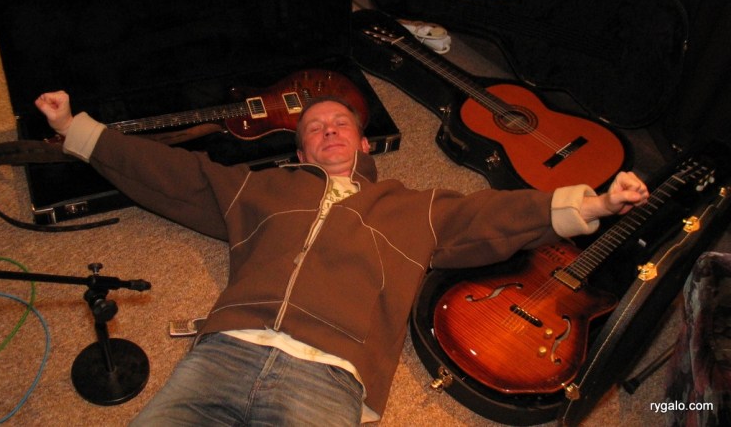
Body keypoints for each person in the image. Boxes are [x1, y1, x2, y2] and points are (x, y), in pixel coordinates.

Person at [35, 91, 648, 426]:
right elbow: (177, 176)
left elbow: (490, 217)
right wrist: (79, 131)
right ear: (301, 151)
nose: (328, 129)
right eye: (315, 127)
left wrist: (590, 204)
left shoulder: (416, 207)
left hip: (329, 377)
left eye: (341, 123)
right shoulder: (260, 189)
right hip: (223, 355)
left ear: (364, 144)